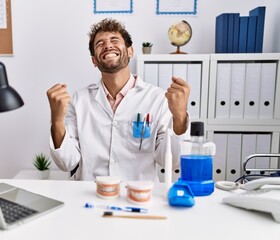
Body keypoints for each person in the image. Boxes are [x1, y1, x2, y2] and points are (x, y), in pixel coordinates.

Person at [47, 18, 190, 181]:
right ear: (94, 60)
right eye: (100, 43)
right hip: (89, 195)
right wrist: (57, 120)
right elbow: (67, 162)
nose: (108, 45)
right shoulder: (79, 100)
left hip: (137, 196)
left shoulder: (157, 98)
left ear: (130, 51)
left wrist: (179, 116)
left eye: (114, 40)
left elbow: (174, 162)